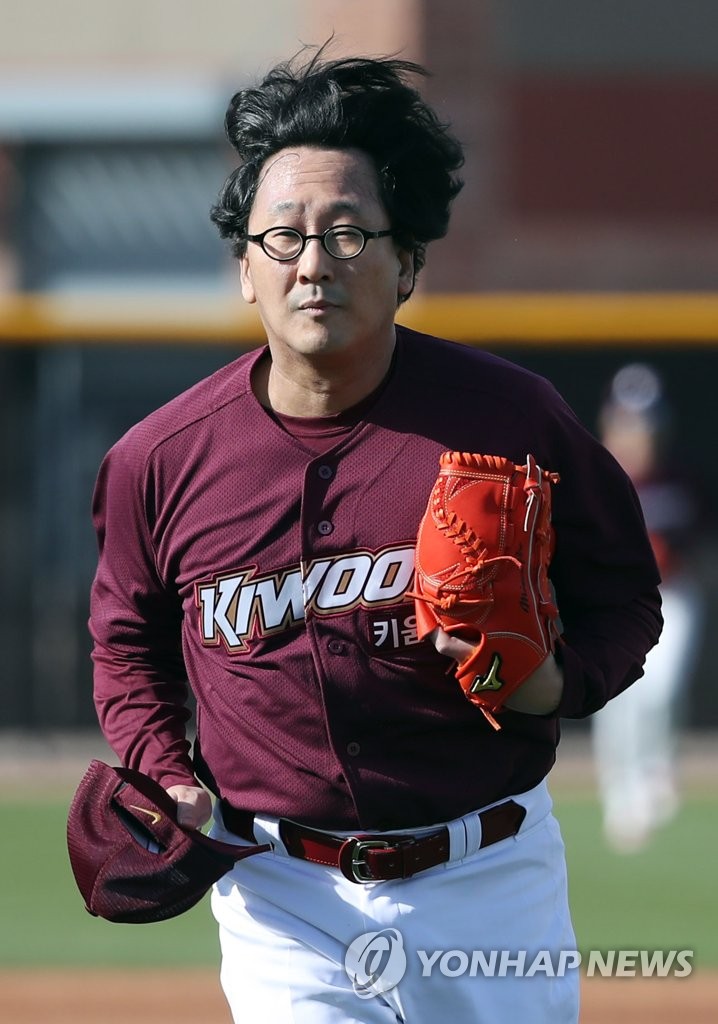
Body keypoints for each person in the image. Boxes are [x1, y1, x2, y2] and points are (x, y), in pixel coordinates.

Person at [88, 47, 662, 1024]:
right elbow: (126, 643)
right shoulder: (160, 457)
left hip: (492, 878)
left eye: (349, 234)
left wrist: (558, 683)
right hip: (281, 891)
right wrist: (164, 767)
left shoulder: (511, 419)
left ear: (406, 265)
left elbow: (624, 595)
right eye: (284, 236)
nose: (313, 261)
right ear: (244, 269)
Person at [591, 363, 705, 853]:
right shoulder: (592, 474)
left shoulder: (680, 479)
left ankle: (657, 767)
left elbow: (700, 543)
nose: (638, 434)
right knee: (619, 701)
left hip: (674, 595)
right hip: (613, 600)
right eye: (629, 422)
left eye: (646, 424)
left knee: (661, 692)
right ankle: (621, 797)